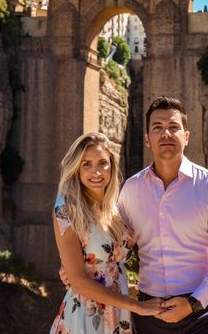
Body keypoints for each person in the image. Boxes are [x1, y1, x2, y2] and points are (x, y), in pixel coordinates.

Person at [120, 96, 208, 333]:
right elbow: (116, 247)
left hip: (203, 314)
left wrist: (193, 303)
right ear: (147, 139)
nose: (166, 133)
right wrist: (79, 267)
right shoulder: (131, 190)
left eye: (173, 127)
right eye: (157, 128)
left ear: (186, 136)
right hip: (149, 316)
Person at [49, 132, 164, 334]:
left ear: (111, 165)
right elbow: (77, 280)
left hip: (119, 314)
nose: (96, 171)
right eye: (86, 164)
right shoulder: (66, 210)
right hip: (85, 316)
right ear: (76, 168)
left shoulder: (117, 211)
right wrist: (137, 306)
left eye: (102, 163)